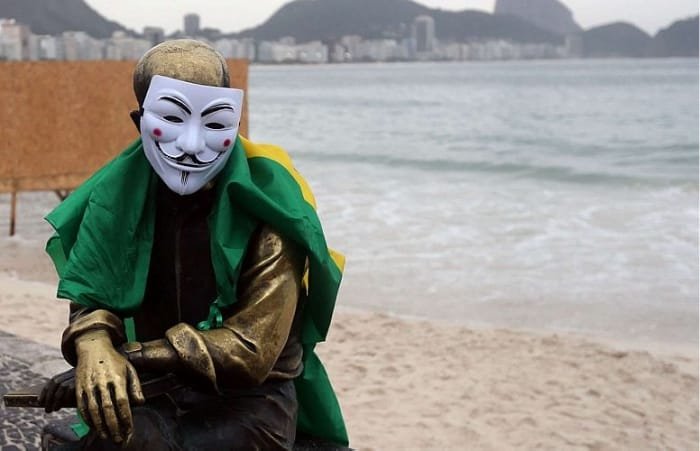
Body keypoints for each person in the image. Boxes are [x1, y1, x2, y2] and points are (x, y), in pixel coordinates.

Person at [38, 39, 348, 450]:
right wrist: (93, 344)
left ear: (235, 124)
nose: (190, 144)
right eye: (172, 118)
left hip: (250, 401)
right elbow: (93, 290)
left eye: (214, 124)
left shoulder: (269, 213)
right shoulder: (117, 198)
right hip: (155, 389)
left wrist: (129, 356)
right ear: (139, 120)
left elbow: (252, 350)